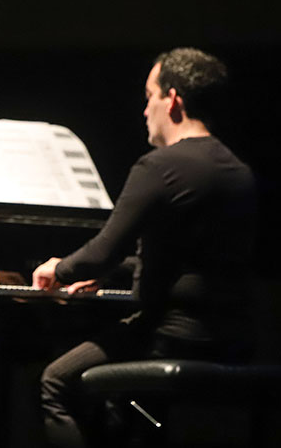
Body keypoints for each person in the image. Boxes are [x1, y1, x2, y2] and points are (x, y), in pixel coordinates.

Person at [31, 48, 257, 448]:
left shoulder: (160, 166)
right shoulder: (237, 170)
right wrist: (112, 274)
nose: (145, 109)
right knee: (112, 401)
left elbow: (103, 250)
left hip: (166, 336)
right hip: (232, 338)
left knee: (55, 381)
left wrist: (59, 268)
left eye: (149, 96)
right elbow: (187, 261)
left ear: (172, 99)